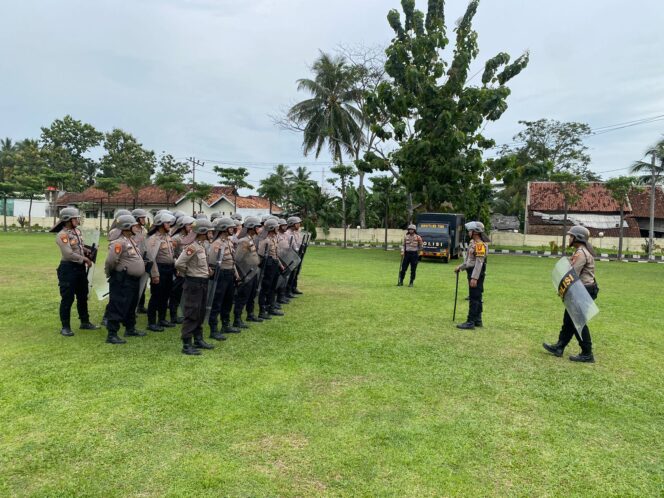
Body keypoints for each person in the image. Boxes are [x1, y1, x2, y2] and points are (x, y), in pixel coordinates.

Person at [543, 226, 599, 363]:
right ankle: (559, 347)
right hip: (582, 289)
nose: (569, 238)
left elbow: (573, 274)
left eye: (571, 236)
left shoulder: (581, 253)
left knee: (578, 322)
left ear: (577, 238)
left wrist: (563, 289)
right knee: (569, 320)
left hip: (582, 290)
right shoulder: (582, 251)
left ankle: (587, 353)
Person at [51, 207, 99, 336]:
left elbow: (78, 246)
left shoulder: (76, 231)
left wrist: (87, 251)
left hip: (79, 269)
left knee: (83, 296)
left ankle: (85, 322)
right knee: (68, 298)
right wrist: (84, 259)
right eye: (75, 218)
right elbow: (68, 254)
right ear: (68, 219)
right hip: (68, 269)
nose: (78, 220)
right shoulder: (62, 235)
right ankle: (65, 326)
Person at [175, 219, 216, 356]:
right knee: (192, 312)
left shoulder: (201, 246)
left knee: (200, 312)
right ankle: (187, 344)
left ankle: (198, 339)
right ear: (203, 232)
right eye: (209, 230)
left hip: (202, 282)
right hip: (194, 283)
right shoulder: (192, 247)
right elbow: (179, 263)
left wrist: (207, 271)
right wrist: (189, 273)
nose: (211, 233)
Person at [103, 215, 147, 344]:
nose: (136, 227)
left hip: (132, 279)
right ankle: (112, 334)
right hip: (122, 279)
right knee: (118, 304)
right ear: (127, 227)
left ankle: (130, 328)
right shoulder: (118, 242)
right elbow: (110, 261)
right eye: (133, 226)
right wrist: (112, 273)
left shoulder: (130, 240)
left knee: (131, 304)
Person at [207, 217, 240, 340]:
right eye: (230, 227)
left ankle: (225, 324)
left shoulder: (228, 241)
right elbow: (211, 262)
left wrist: (236, 273)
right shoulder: (216, 244)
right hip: (221, 275)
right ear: (223, 229)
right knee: (217, 302)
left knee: (228, 300)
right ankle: (213, 329)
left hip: (230, 273)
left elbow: (232, 259)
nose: (233, 229)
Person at [454, 221, 489, 330]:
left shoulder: (480, 245)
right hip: (472, 271)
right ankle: (478, 320)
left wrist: (474, 278)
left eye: (470, 231)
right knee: (477, 297)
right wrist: (461, 267)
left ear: (475, 232)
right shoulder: (472, 243)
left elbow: (479, 262)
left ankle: (470, 322)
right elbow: (469, 261)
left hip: (476, 272)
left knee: (474, 298)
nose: (468, 232)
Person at [145, 212, 176, 332]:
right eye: (167, 223)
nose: (169, 225)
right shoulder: (154, 239)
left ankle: (162, 319)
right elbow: (151, 258)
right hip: (159, 269)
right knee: (156, 296)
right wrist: (155, 274)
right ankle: (151, 322)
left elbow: (171, 254)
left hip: (169, 269)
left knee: (166, 295)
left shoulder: (168, 237)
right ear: (160, 224)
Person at [233, 216, 262, 327]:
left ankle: (250, 314)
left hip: (253, 271)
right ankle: (237, 319)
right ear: (251, 228)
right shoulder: (244, 241)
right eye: (257, 227)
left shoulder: (250, 239)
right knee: (243, 296)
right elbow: (238, 259)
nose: (259, 229)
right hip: (246, 272)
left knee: (252, 294)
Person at [169, 215, 195, 324]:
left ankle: (183, 313)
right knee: (176, 293)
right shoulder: (176, 238)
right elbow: (172, 254)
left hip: (188, 270)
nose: (191, 227)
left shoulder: (191, 237)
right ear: (182, 226)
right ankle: (173, 315)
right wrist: (177, 267)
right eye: (189, 225)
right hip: (178, 269)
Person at [257, 218, 284, 319]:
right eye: (276, 227)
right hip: (268, 266)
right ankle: (262, 310)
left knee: (273, 287)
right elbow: (260, 256)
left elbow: (275, 254)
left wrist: (280, 264)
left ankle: (271, 307)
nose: (278, 228)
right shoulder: (265, 241)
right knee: (265, 288)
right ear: (271, 228)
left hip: (274, 265)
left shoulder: (274, 238)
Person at [132, 209, 150, 314]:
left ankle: (140, 305)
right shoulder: (132, 230)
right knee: (133, 286)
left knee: (142, 284)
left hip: (143, 259)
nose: (144, 219)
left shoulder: (144, 230)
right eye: (141, 217)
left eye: (144, 217)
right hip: (134, 260)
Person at [286, 216, 303, 296]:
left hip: (296, 254)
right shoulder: (288, 233)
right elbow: (291, 245)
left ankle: (293, 287)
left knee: (296, 272)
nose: (299, 224)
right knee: (291, 273)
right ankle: (288, 290)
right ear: (292, 224)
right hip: (290, 255)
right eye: (297, 223)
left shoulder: (296, 232)